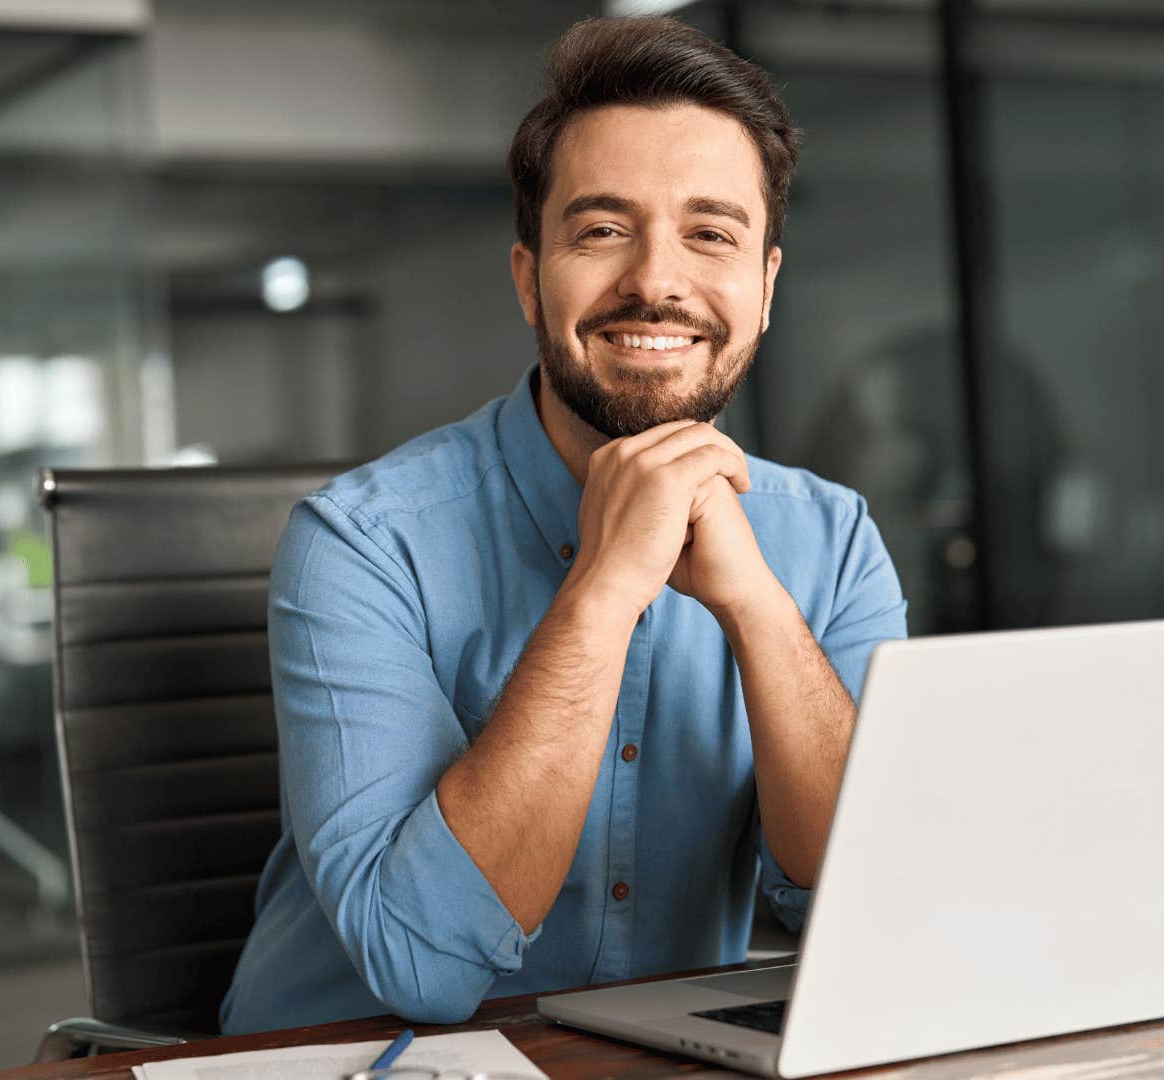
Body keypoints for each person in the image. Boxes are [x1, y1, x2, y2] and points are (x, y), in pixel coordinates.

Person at [220, 15, 906, 1033]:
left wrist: (759, 607)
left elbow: (871, 906)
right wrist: (605, 588)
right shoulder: (360, 543)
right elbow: (421, 967)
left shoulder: (832, 538)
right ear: (529, 279)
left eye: (710, 234)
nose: (657, 281)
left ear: (764, 288)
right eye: (601, 230)